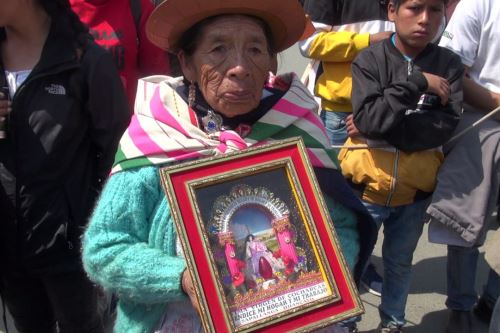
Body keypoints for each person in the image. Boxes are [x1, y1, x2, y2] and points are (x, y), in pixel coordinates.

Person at [81, 0, 377, 332]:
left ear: (271, 62)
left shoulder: (300, 132)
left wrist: (322, 283)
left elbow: (342, 230)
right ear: (187, 64)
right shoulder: (156, 136)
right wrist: (182, 278)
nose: (240, 66)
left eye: (254, 49)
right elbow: (104, 246)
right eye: (218, 49)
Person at [0, 0, 130, 332]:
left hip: (71, 252)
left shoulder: (85, 61)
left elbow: (117, 158)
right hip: (8, 251)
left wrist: (96, 232)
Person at [338, 0, 464, 331]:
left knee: (399, 263)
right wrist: (419, 83)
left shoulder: (449, 64)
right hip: (366, 186)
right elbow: (369, 117)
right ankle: (346, 322)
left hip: (416, 191)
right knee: (352, 260)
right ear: (392, 10)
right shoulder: (370, 60)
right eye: (414, 8)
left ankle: (392, 322)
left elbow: (445, 125)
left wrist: (380, 129)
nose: (425, 19)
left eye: (435, 10)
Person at [299, 0, 395, 298]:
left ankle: (359, 265)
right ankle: (327, 269)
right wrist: (367, 42)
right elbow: (309, 42)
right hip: (342, 111)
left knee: (376, 193)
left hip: (391, 108)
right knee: (337, 197)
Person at [425, 0, 500, 332]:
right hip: (481, 119)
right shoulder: (481, 3)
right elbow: (452, 69)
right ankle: (460, 304)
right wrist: (495, 102)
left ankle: (492, 299)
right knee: (465, 222)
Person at [69, 0, 171, 105]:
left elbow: (157, 80)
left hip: (127, 117)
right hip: (74, 115)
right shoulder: (59, 9)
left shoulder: (138, 6)